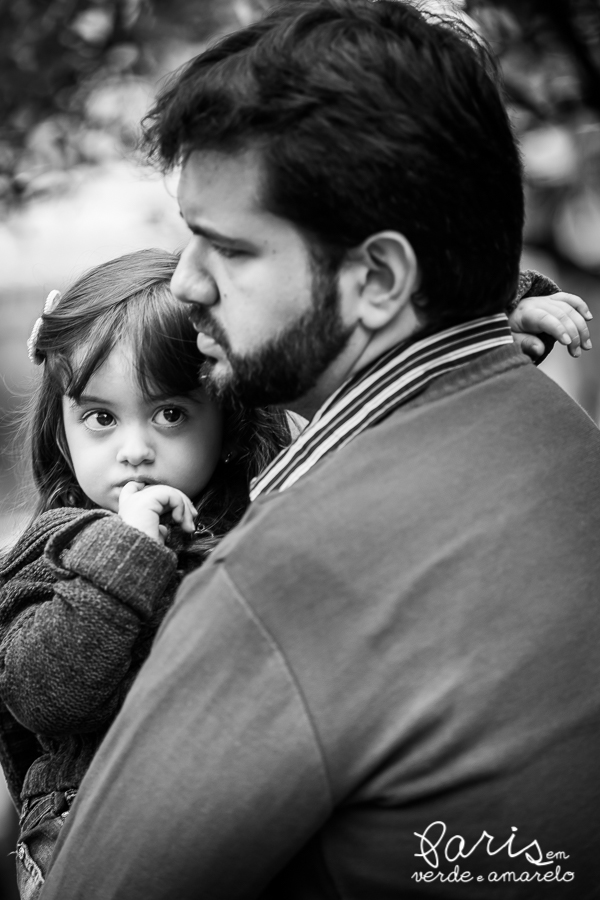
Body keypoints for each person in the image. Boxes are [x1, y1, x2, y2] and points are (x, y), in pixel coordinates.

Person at [41, 1, 600, 898]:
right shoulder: (559, 438)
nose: (183, 282)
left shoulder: (287, 576)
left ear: (377, 278)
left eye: (227, 247)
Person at [0, 248, 289, 899]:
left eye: (170, 414)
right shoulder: (51, 553)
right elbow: (43, 695)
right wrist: (127, 551)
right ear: (62, 427)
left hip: (230, 817)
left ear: (228, 416)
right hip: (83, 833)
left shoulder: (259, 515)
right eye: (100, 418)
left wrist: (497, 313)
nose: (134, 449)